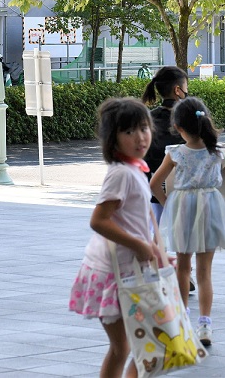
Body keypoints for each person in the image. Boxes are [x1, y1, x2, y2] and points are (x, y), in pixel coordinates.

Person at [69, 97, 164, 378]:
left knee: (136, 346)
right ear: (113, 139)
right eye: (129, 131)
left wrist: (157, 250)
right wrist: (139, 245)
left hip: (128, 270)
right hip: (114, 274)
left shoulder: (134, 169)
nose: (140, 137)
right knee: (136, 346)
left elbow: (144, 217)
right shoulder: (121, 174)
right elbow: (99, 220)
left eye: (144, 128)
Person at [149, 97, 225, 347]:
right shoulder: (218, 153)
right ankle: (205, 324)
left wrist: (168, 204)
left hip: (183, 208)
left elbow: (154, 184)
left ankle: (182, 321)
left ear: (178, 128)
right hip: (212, 208)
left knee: (183, 268)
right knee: (205, 272)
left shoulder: (175, 153)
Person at [141, 66, 197, 293]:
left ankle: (152, 271)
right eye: (186, 88)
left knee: (158, 229)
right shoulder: (189, 116)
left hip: (155, 184)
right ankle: (186, 273)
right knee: (185, 233)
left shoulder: (149, 117)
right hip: (184, 184)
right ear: (178, 90)